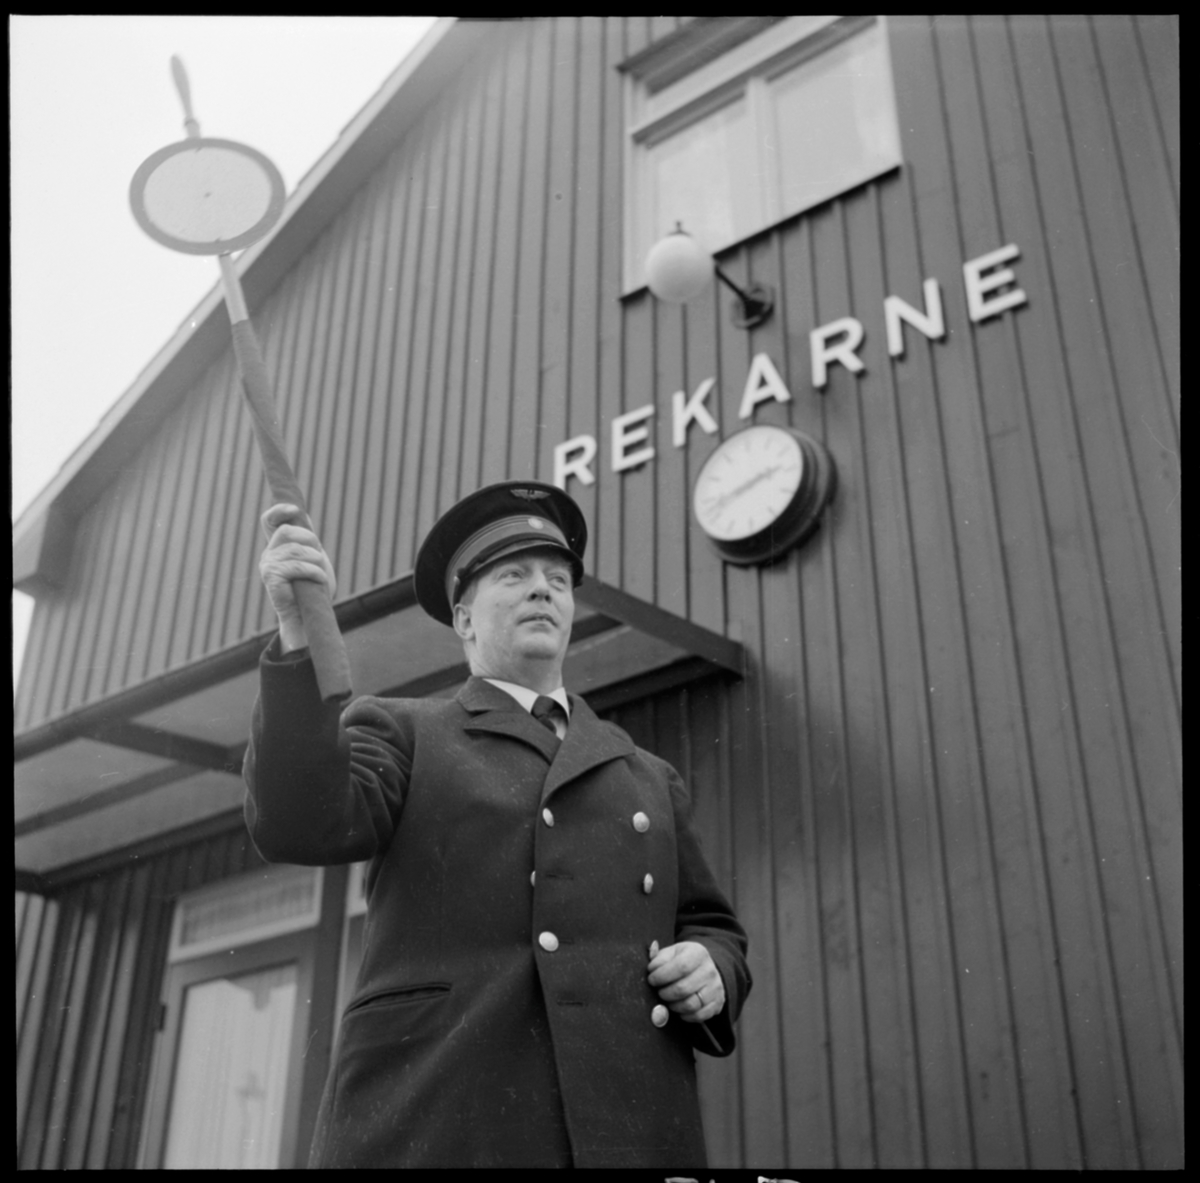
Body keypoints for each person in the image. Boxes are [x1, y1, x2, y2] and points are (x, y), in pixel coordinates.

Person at [243, 480, 751, 1168]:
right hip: (448, 1121)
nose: (543, 589)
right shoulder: (404, 731)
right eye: (514, 576)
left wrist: (713, 968)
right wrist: (299, 631)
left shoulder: (648, 774)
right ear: (464, 619)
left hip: (627, 1125)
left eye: (557, 580)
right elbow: (299, 820)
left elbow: (711, 926)